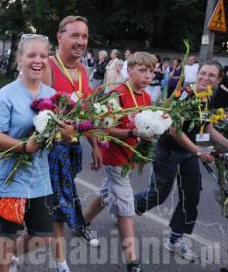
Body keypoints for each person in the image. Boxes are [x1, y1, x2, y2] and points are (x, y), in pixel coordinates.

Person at [0, 34, 75, 272]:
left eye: (44, 56)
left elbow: (62, 134)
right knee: (9, 234)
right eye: (32, 55)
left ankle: (8, 256)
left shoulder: (52, 96)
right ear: (20, 60)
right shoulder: (6, 95)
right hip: (10, 178)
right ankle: (4, 263)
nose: (38, 60)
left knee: (43, 235)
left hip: (40, 179)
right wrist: (24, 146)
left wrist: (67, 133)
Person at [134, 61, 228, 261]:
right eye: (203, 73)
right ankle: (128, 207)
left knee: (191, 196)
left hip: (189, 154)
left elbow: (208, 128)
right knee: (158, 195)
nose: (205, 78)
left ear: (219, 80)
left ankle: (175, 240)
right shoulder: (185, 94)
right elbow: (175, 131)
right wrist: (199, 152)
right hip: (169, 151)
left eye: (211, 75)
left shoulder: (209, 96)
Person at [83, 52, 155, 272]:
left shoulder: (146, 97)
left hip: (129, 155)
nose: (148, 75)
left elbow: (146, 125)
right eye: (143, 70)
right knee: (126, 204)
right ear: (129, 70)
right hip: (114, 157)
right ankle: (132, 260)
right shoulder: (117, 93)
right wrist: (133, 131)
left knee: (106, 192)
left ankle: (81, 221)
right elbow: (104, 128)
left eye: (151, 71)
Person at [41, 16, 102, 272]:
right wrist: (58, 129)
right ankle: (60, 263)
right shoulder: (48, 67)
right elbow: (37, 115)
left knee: (54, 202)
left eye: (84, 37)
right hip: (49, 150)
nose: (81, 42)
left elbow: (85, 112)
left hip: (72, 148)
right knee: (59, 204)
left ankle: (18, 244)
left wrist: (95, 145)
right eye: (75, 35)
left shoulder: (83, 70)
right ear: (60, 37)